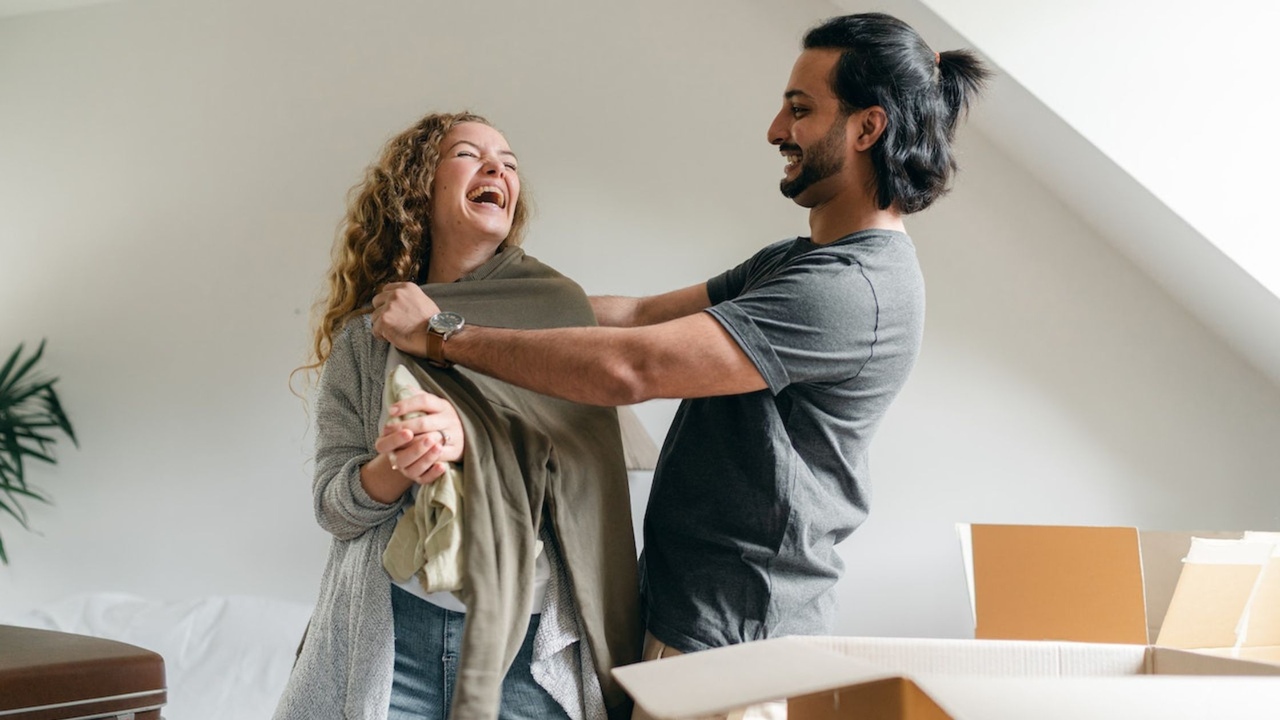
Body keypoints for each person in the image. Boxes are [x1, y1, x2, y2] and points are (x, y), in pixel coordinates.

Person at [373, 10, 989, 685]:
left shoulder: (852, 290)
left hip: (731, 645)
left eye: (800, 110)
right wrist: (462, 300)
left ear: (867, 128)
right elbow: (632, 317)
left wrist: (443, 335)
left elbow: (631, 367)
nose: (775, 130)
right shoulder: (800, 261)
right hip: (701, 623)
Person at [275, 111, 641, 720]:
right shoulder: (366, 339)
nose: (498, 167)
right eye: (469, 154)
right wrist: (393, 467)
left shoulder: (557, 309)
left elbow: (586, 469)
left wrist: (470, 436)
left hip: (528, 652)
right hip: (393, 638)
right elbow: (333, 507)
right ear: (422, 187)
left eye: (510, 162)